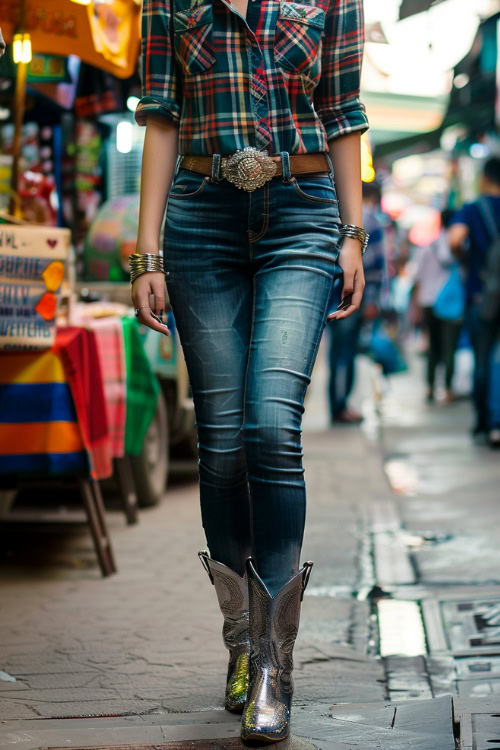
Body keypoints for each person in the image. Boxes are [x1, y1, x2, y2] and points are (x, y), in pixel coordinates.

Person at [130, 0, 369, 740]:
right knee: (224, 442)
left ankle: (275, 665)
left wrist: (354, 233)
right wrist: (147, 254)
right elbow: (161, 120)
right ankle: (241, 646)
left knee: (271, 427)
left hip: (302, 213)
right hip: (200, 221)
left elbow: (344, 112)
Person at [449, 157, 500, 443]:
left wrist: (465, 258)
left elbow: (454, 241)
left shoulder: (472, 209)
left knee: (482, 359)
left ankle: (486, 420)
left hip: (481, 293)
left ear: (484, 178)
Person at [327, 181, 385, 423]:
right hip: (350, 297)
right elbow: (373, 267)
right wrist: (371, 299)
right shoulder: (370, 220)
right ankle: (340, 407)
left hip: (328, 296)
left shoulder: (332, 213)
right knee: (345, 354)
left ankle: (337, 405)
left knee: (336, 355)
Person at [412, 210, 461, 403]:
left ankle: (430, 387)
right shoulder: (458, 249)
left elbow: (417, 278)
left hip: (428, 302)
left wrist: (415, 304)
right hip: (451, 304)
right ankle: (448, 389)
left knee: (433, 346)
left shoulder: (427, 248)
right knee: (449, 347)